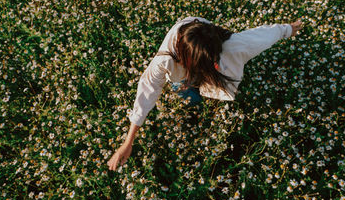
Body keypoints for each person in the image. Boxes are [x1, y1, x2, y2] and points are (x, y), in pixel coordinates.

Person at [107, 16, 303, 171]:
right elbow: (146, 91)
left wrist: (287, 29)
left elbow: (261, 36)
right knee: (187, 96)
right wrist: (128, 141)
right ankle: (194, 103)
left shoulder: (230, 44)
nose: (216, 66)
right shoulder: (165, 61)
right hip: (182, 67)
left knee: (221, 77)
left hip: (201, 43)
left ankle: (205, 94)